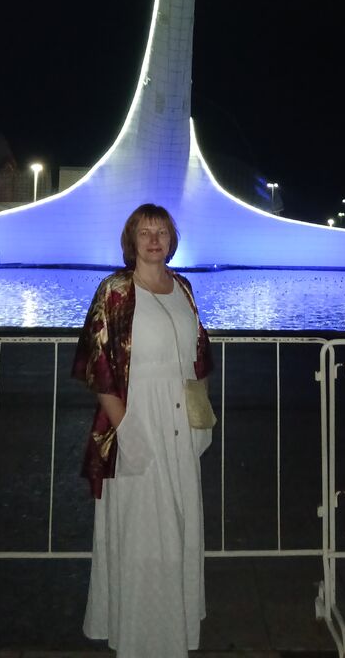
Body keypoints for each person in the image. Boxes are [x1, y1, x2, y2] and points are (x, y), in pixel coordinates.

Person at [72, 202, 214, 658]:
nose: (154, 240)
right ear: (131, 241)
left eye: (162, 232)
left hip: (179, 423)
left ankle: (173, 630)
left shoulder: (183, 287)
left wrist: (200, 416)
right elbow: (98, 367)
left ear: (172, 240)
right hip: (138, 418)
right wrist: (128, 430)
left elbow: (197, 358)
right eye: (145, 232)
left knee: (179, 523)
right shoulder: (116, 290)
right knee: (142, 531)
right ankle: (138, 636)